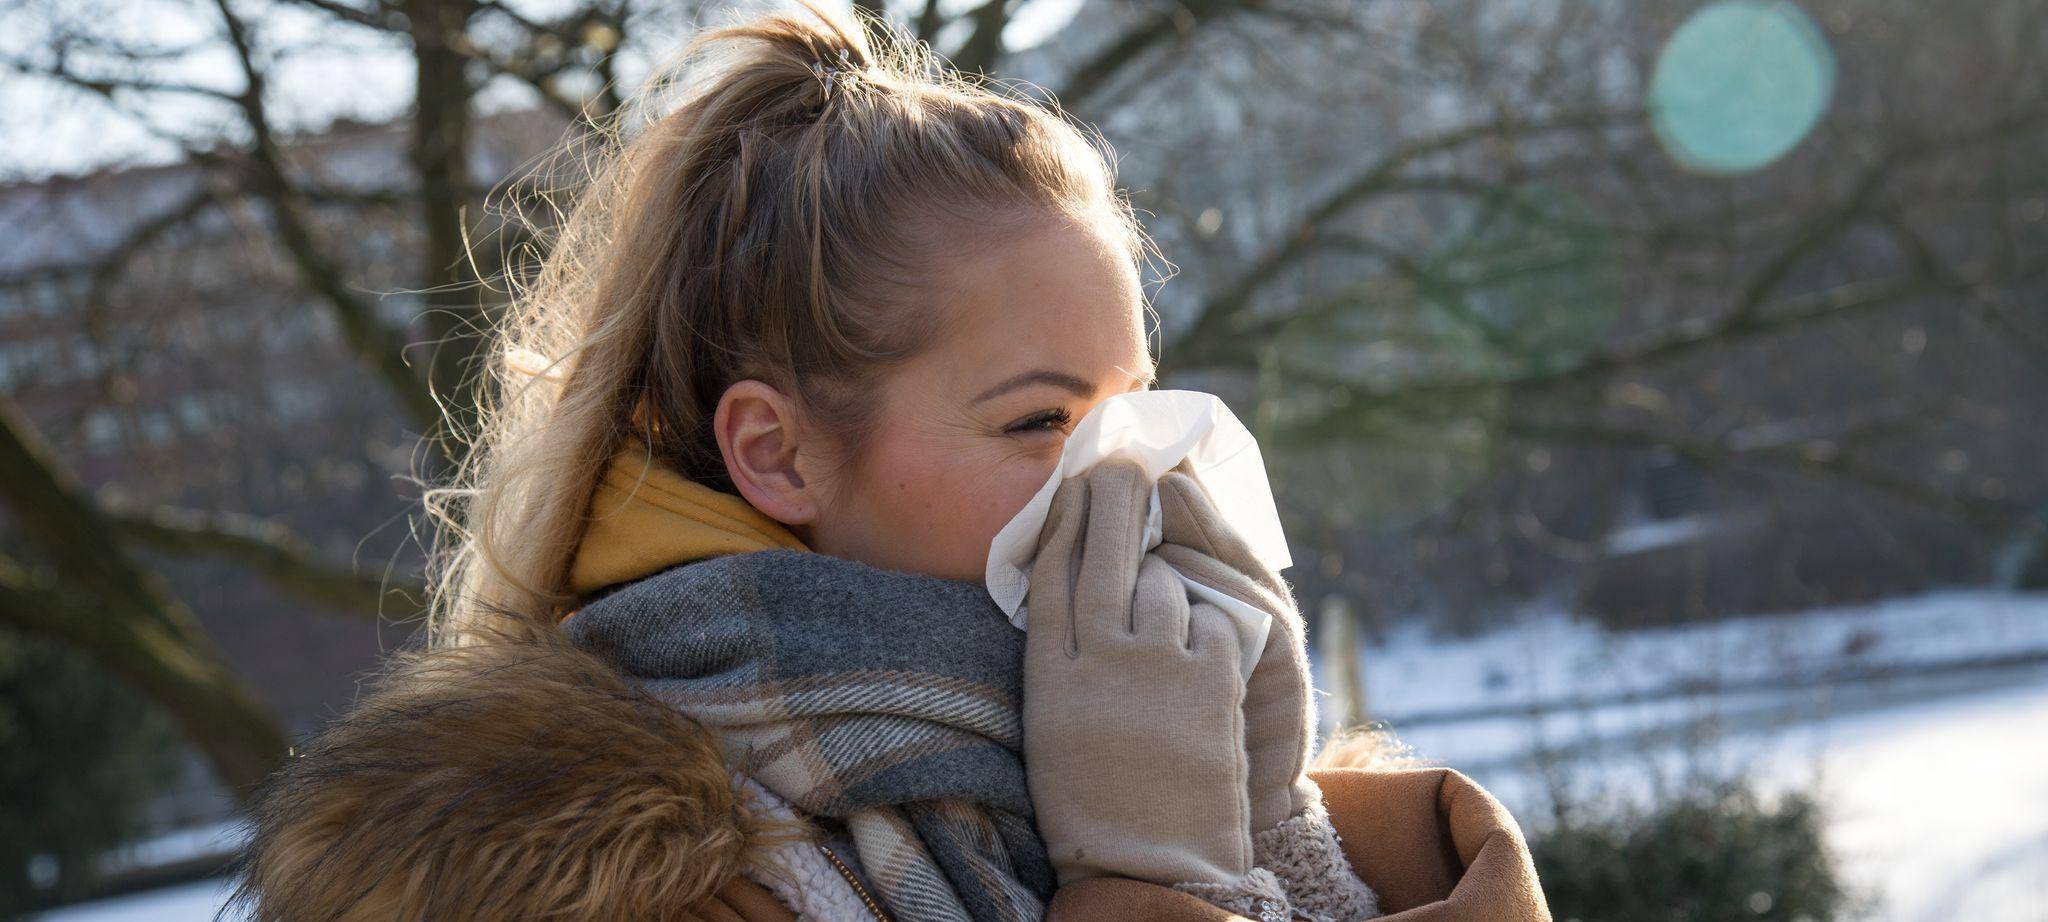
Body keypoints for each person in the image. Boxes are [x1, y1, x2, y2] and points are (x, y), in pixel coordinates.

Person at [227, 3, 1552, 921]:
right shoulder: (622, 878)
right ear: (779, 453)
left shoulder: (1195, 759)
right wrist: (1145, 877)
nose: (1126, 477)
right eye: (1039, 422)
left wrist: (1267, 814)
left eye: (1136, 407)